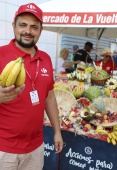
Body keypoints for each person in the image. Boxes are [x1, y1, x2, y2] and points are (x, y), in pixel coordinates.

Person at [0, 3, 63, 170]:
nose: (28, 31)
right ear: (13, 26)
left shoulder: (46, 59)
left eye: (34, 27)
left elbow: (49, 96)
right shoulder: (1, 55)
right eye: (23, 25)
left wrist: (57, 131)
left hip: (35, 147)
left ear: (40, 31)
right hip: (3, 149)